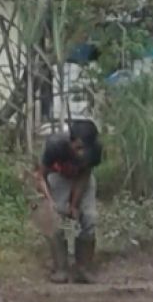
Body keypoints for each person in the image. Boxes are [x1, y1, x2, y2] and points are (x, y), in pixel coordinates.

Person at [34, 118, 103, 284]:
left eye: (85, 149)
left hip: (81, 179)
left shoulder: (95, 150)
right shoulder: (55, 145)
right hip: (57, 176)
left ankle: (83, 268)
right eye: (78, 148)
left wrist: (74, 205)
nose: (82, 153)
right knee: (56, 219)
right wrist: (50, 201)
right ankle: (61, 268)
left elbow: (84, 175)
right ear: (71, 142)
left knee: (89, 218)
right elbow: (40, 176)